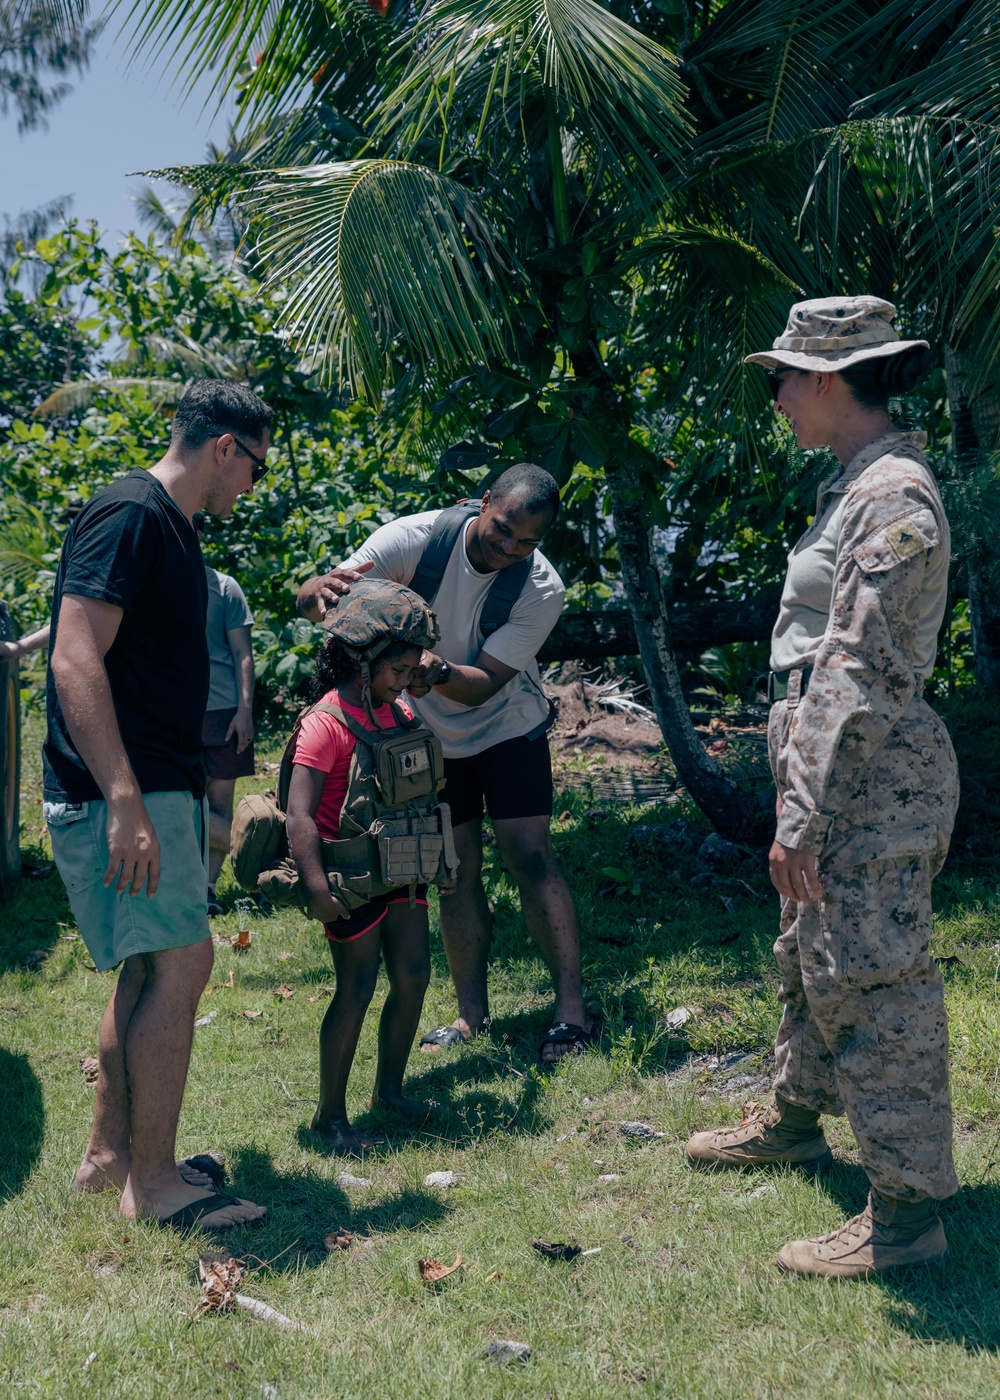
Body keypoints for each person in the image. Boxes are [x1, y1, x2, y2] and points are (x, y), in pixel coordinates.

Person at [685, 296, 960, 1279]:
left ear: (826, 379)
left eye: (780, 379)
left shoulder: (890, 497)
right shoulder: (851, 486)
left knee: (875, 980)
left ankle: (906, 1211)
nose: (774, 398)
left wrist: (804, 811)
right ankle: (794, 1119)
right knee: (812, 949)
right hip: (837, 757)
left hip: (867, 769)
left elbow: (861, 666)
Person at [44, 379, 273, 1230]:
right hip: (126, 792)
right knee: (182, 963)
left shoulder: (174, 528)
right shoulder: (133, 513)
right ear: (224, 448)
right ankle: (157, 1186)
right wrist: (125, 800)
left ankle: (111, 1162)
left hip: (150, 784)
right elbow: (73, 658)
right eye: (254, 465)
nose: (252, 484)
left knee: (149, 966)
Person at [295, 464, 592, 1063]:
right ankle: (470, 1013)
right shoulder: (416, 539)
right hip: (424, 740)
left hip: (508, 727)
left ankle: (571, 1012)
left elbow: (482, 684)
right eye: (502, 528)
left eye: (526, 542)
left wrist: (427, 667)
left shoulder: (541, 589)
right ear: (483, 503)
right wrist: (314, 592)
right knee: (454, 869)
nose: (509, 547)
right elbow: (327, 600)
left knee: (529, 857)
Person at [285, 578, 455, 1152]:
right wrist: (314, 886)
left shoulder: (398, 707)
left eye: (411, 671)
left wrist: (418, 671)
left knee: (413, 977)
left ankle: (390, 1091)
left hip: (405, 867)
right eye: (398, 671)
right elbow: (299, 815)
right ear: (362, 664)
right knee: (355, 987)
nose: (408, 681)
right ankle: (330, 1116)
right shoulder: (324, 724)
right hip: (351, 880)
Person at [192, 512, 255, 916]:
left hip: (223, 712)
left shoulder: (225, 587)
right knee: (182, 804)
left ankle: (208, 889)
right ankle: (263, 847)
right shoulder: (155, 585)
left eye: (193, 532)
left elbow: (242, 654)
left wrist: (245, 711)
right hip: (172, 714)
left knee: (216, 804)